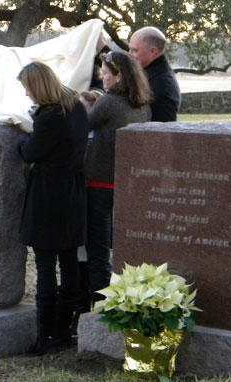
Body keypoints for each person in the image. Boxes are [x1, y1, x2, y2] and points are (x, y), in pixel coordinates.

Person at [16, 62, 89, 356]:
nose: (26, 93)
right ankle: (63, 329)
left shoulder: (50, 116)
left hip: (49, 195)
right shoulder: (76, 106)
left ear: (39, 86)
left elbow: (29, 151)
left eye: (28, 87)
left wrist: (21, 138)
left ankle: (46, 335)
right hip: (72, 191)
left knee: (46, 264)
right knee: (69, 261)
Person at [83, 51, 152, 310]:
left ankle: (101, 304)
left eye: (105, 73)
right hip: (126, 184)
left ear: (119, 75)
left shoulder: (110, 102)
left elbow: (83, 126)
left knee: (98, 249)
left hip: (99, 182)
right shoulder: (143, 104)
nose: (102, 77)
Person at [129, 27, 181, 122]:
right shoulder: (151, 75)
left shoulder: (163, 85)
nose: (130, 54)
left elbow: (162, 130)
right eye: (130, 49)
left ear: (153, 51)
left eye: (135, 50)